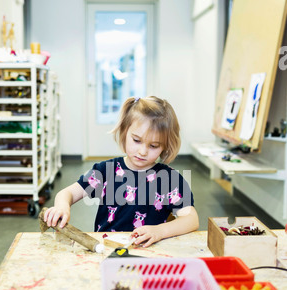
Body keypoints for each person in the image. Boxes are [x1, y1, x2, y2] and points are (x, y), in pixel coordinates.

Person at [44, 96, 199, 247]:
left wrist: (159, 231)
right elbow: (67, 193)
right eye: (137, 140)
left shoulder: (170, 179)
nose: (143, 151)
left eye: (154, 146)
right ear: (124, 132)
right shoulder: (106, 171)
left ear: (165, 145)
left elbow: (192, 219)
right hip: (105, 249)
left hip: (148, 252)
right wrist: (62, 206)